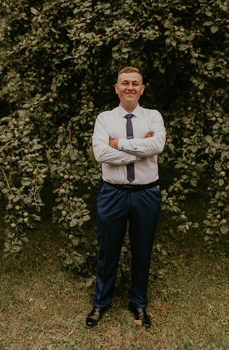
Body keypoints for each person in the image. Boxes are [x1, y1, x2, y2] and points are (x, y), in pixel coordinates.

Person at [86, 66, 166, 328]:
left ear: (142, 89)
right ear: (116, 88)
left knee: (142, 250)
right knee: (108, 250)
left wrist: (117, 144)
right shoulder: (104, 119)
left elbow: (157, 146)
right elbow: (100, 154)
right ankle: (101, 302)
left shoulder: (154, 116)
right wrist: (141, 149)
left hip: (146, 194)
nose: (130, 87)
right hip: (113, 194)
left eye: (135, 83)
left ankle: (138, 302)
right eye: (125, 83)